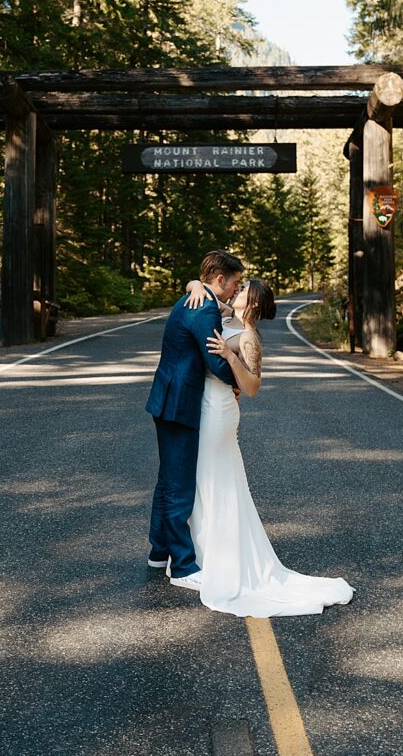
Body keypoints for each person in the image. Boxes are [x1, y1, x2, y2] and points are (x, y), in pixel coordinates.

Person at [183, 277, 355, 617]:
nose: (238, 291)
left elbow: (253, 387)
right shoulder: (224, 314)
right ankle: (201, 552)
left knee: (214, 478)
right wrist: (195, 284)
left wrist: (230, 359)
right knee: (205, 480)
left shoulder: (247, 337)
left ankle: (216, 558)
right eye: (239, 286)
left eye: (244, 290)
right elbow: (196, 288)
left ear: (255, 303)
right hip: (203, 403)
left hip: (219, 413)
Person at [145, 250, 244, 590]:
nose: (235, 289)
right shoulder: (202, 307)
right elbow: (216, 360)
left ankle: (158, 553)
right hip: (180, 404)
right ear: (219, 280)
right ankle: (184, 567)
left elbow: (224, 312)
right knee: (179, 487)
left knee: (167, 481)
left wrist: (199, 287)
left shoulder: (195, 298)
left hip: (168, 398)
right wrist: (241, 380)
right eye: (234, 283)